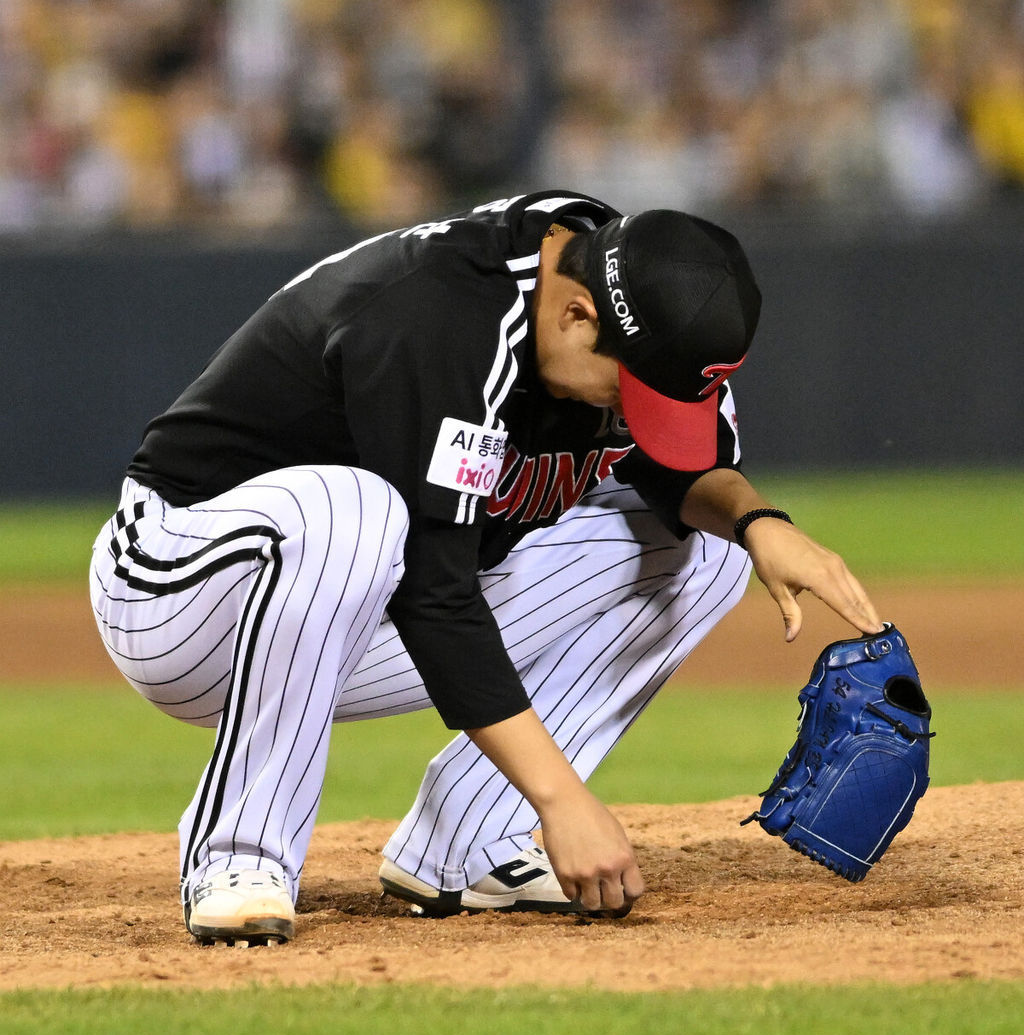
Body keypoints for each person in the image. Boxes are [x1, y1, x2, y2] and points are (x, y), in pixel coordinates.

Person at [89, 189, 881, 945]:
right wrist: (562, 796)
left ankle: (466, 844)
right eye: (628, 391)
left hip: (345, 612)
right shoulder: (434, 320)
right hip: (180, 593)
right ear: (576, 316)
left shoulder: (616, 276)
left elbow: (671, 469)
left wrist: (757, 520)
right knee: (357, 514)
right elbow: (435, 594)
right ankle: (240, 857)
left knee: (707, 553)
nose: (627, 413)